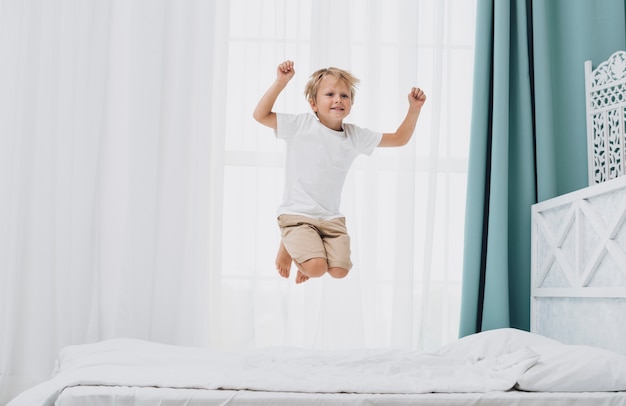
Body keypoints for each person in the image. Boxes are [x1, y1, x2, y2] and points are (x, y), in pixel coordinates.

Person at [253, 60, 426, 284]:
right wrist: (280, 82)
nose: (338, 99)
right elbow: (260, 115)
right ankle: (290, 246)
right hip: (297, 215)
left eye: (345, 96)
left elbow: (399, 139)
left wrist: (414, 109)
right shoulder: (301, 125)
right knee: (316, 268)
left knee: (339, 271)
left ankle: (303, 251)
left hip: (330, 217)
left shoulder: (353, 136)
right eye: (330, 94)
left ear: (351, 103)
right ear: (313, 104)